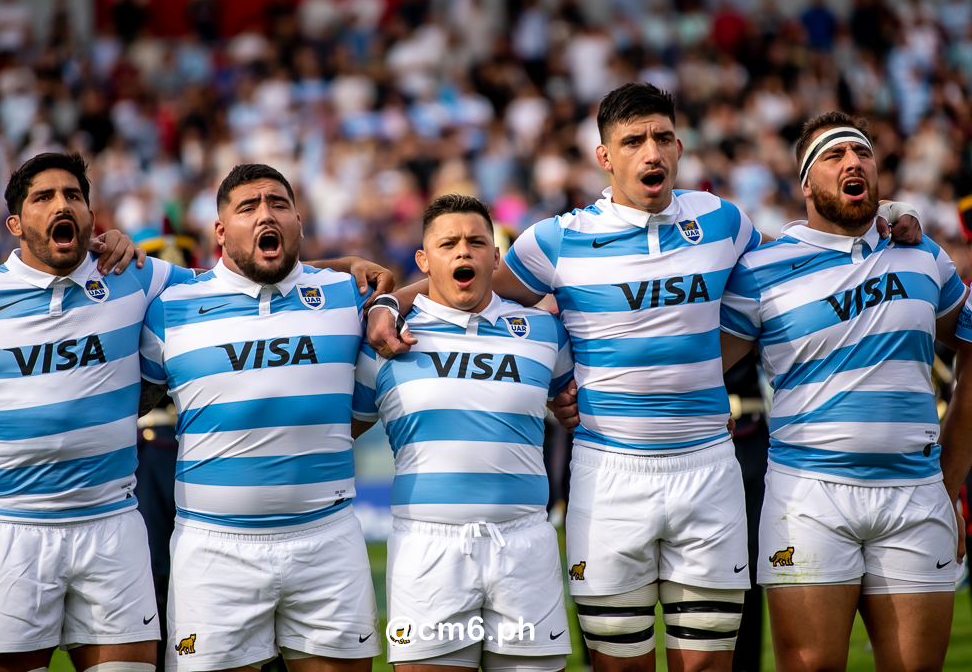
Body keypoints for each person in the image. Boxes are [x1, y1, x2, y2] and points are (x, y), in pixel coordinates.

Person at [367, 82, 923, 672]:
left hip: (708, 469)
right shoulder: (556, 240)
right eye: (633, 141)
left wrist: (883, 215)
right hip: (609, 474)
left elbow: (802, 255)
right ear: (605, 157)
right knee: (619, 666)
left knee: (707, 665)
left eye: (662, 138)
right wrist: (390, 304)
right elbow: (466, 286)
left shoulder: (723, 222)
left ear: (680, 147)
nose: (650, 152)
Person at [719, 111, 969, 672]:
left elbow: (970, 347)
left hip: (915, 494)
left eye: (862, 153)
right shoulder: (761, 269)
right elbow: (693, 366)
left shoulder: (923, 255)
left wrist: (948, 483)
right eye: (834, 156)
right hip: (808, 497)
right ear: (806, 183)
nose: (854, 161)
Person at [0, 152, 192, 672]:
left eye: (74, 196)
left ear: (90, 214)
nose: (62, 204)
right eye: (43, 197)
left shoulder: (137, 277)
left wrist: (344, 272)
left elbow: (240, 284)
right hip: (8, 531)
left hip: (112, 527)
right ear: (15, 223)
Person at [138, 164, 383, 672]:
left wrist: (388, 303)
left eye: (277, 204)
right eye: (247, 207)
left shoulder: (347, 295)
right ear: (221, 232)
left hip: (328, 541)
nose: (264, 214)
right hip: (213, 548)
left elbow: (415, 306)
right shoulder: (171, 309)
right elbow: (116, 404)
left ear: (297, 219)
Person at [353, 193, 575, 672]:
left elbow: (577, 401)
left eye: (477, 242)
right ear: (424, 259)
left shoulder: (545, 333)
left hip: (525, 547)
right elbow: (337, 434)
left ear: (495, 257)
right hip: (427, 550)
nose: (463, 252)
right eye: (448, 242)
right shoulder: (385, 341)